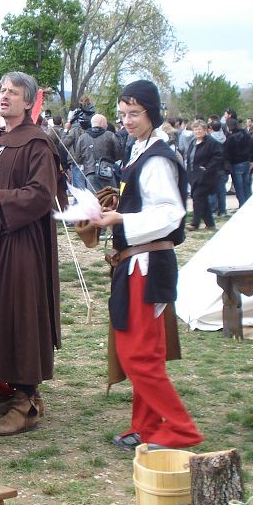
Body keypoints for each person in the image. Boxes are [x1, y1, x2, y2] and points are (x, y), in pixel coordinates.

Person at [94, 80, 203, 451]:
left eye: (134, 114)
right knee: (143, 354)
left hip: (147, 262)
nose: (127, 120)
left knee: (138, 355)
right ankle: (147, 426)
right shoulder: (139, 149)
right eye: (123, 114)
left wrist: (121, 220)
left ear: (151, 114)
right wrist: (117, 208)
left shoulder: (156, 158)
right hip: (136, 262)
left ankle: (181, 430)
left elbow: (171, 213)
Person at [0, 71, 62, 436]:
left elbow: (41, 195)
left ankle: (26, 403)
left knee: (21, 315)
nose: (4, 97)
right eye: (2, 91)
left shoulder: (37, 144)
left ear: (28, 101)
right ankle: (19, 392)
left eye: (13, 92)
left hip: (21, 246)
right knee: (2, 314)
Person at [185, 119, 221, 230]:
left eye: (199, 129)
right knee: (202, 200)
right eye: (195, 129)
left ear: (205, 130)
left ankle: (195, 223)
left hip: (206, 176)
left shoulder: (211, 142)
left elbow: (218, 157)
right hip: (193, 175)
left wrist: (207, 168)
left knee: (197, 197)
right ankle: (210, 224)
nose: (197, 132)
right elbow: (189, 158)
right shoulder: (193, 142)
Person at [76, 113, 122, 191]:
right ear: (102, 123)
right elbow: (118, 154)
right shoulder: (110, 135)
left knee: (94, 198)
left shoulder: (82, 138)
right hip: (107, 172)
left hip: (90, 173)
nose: (107, 125)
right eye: (106, 123)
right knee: (110, 196)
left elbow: (78, 159)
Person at [224, 118, 253, 208]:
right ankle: (249, 205)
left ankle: (242, 205)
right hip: (246, 161)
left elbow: (227, 152)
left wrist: (227, 162)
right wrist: (252, 160)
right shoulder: (246, 135)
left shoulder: (230, 138)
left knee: (239, 187)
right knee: (246, 186)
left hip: (236, 163)